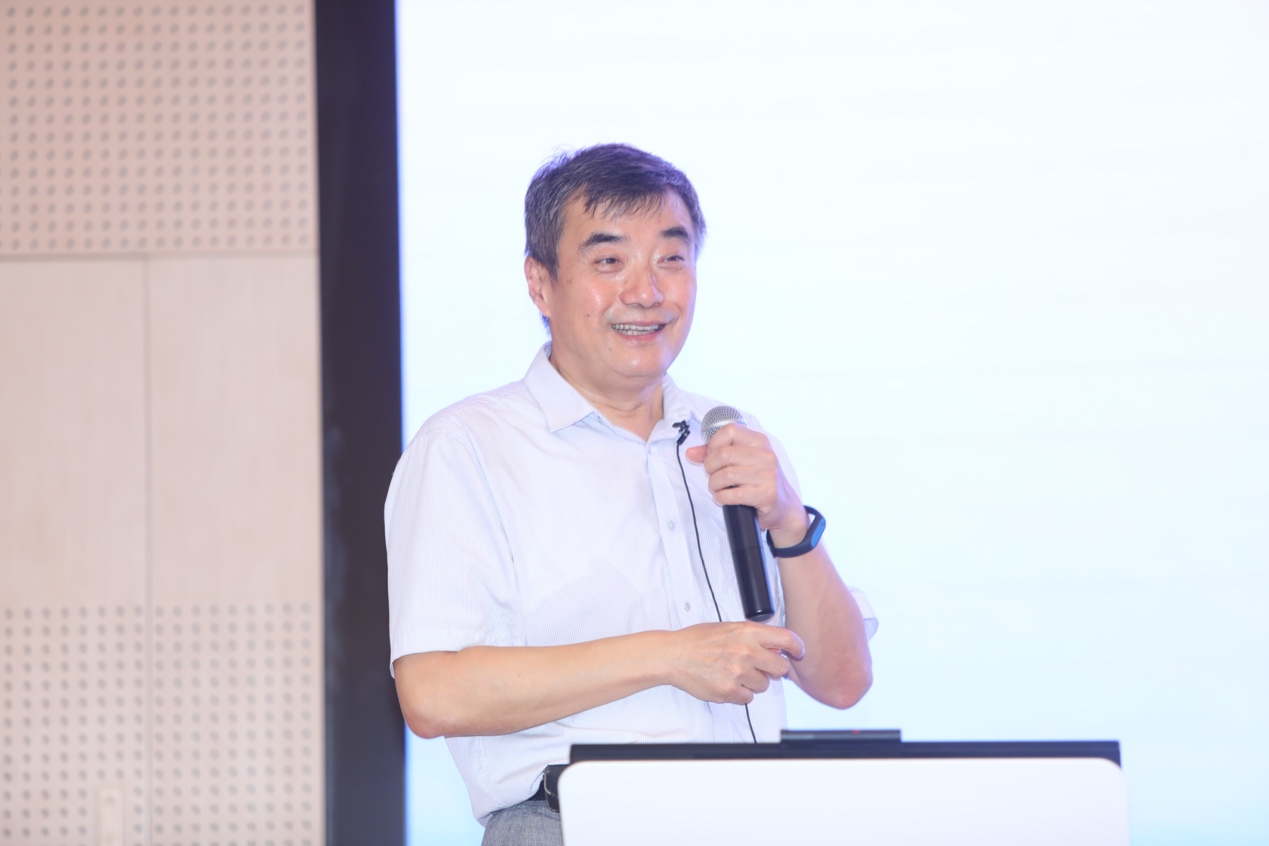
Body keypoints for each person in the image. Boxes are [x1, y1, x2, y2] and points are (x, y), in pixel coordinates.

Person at [386, 143, 877, 845]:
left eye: (671, 258)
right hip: (574, 824)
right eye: (609, 261)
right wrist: (670, 656)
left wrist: (790, 522)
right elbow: (433, 694)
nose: (647, 292)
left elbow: (842, 682)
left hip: (756, 820)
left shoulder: (732, 438)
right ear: (540, 283)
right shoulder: (468, 447)